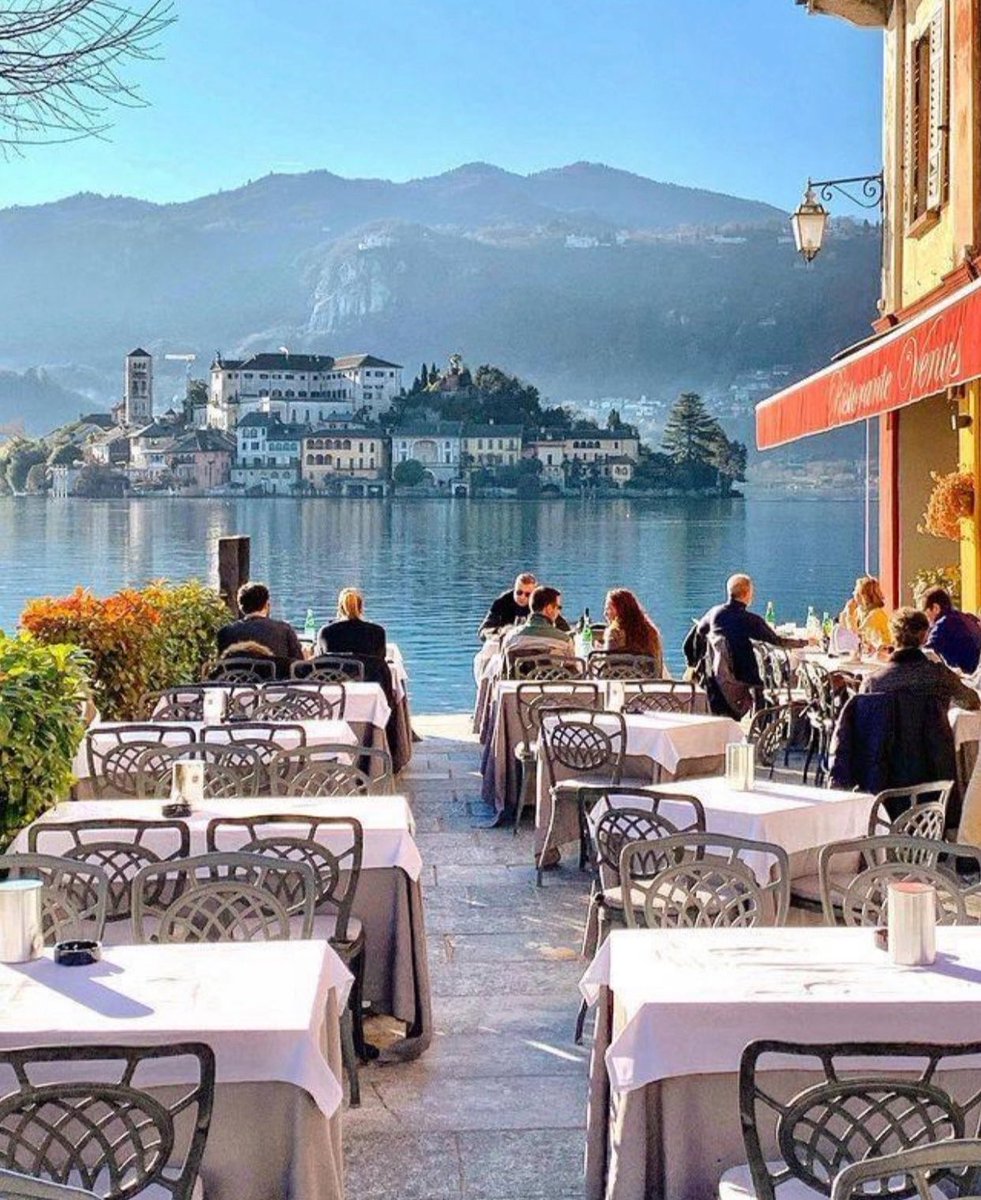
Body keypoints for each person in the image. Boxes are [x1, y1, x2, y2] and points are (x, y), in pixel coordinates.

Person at [683, 573, 806, 689]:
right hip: (746, 682)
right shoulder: (750, 620)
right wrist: (806, 642)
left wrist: (695, 663)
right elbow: (778, 641)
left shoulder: (714, 613)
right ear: (747, 594)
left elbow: (699, 631)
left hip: (716, 682)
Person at [861, 608, 980, 711]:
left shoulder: (872, 684)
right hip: (933, 736)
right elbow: (972, 701)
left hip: (888, 737)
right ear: (925, 637)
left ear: (893, 636)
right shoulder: (940, 676)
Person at [216, 581, 302, 677]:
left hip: (238, 687)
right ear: (266, 605)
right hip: (276, 687)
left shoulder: (225, 633)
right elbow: (299, 666)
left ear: (241, 607)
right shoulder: (284, 630)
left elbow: (222, 668)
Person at [478, 572, 571, 639]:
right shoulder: (502, 602)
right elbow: (483, 631)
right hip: (503, 643)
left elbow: (564, 629)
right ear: (514, 590)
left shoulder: (540, 603)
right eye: (519, 592)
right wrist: (501, 632)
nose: (522, 597)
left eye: (528, 594)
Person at [501, 586, 574, 660]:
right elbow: (572, 669)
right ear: (549, 608)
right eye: (559, 607)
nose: (559, 612)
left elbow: (503, 669)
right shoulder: (564, 641)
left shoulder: (510, 638)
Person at [603, 588, 665, 675]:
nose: (605, 613)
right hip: (647, 682)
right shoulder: (651, 631)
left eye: (608, 608)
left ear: (619, 609)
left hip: (618, 680)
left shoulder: (614, 632)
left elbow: (608, 663)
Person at [921, 586, 981, 674]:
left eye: (926, 614)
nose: (927, 619)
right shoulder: (967, 618)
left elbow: (925, 654)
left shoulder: (942, 625)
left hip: (963, 678)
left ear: (935, 608)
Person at [317, 587, 386, 659]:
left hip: (334, 670)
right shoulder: (377, 632)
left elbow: (320, 660)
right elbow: (381, 660)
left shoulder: (326, 632)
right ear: (361, 608)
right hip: (368, 670)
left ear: (340, 609)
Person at [840, 575, 892, 648]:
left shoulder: (876, 614)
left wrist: (849, 614)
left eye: (856, 591)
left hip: (883, 651)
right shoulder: (860, 611)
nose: (853, 593)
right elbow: (843, 627)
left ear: (864, 596)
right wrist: (845, 611)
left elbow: (856, 636)